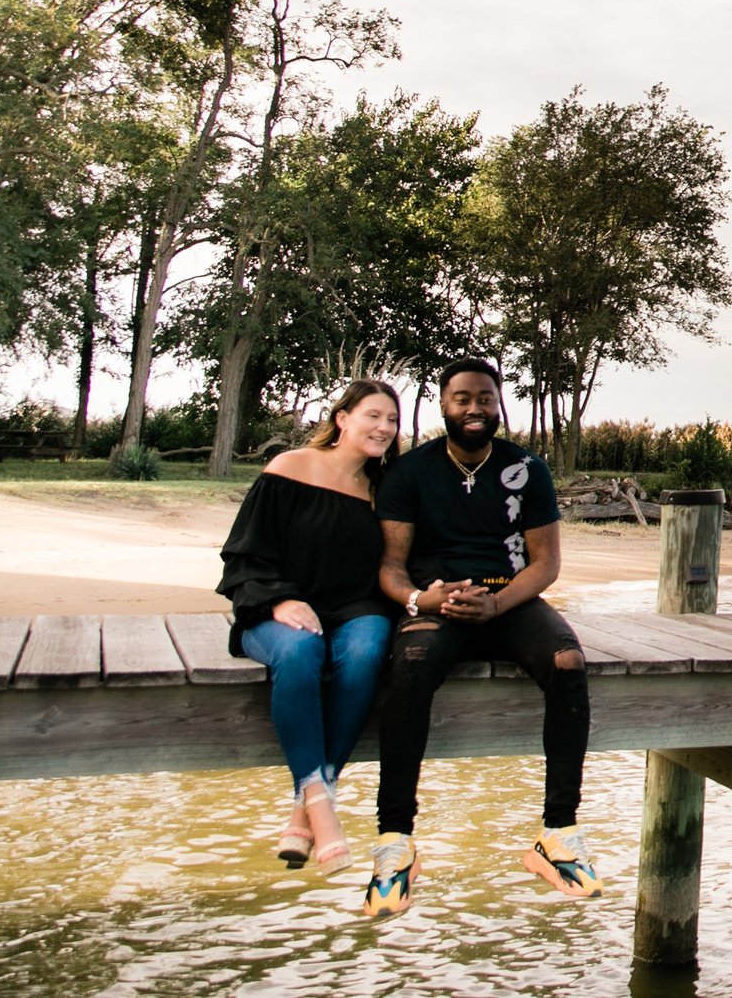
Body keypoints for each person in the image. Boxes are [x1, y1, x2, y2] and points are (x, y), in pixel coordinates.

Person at [363, 356, 597, 917]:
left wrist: (497, 602)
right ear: (443, 403)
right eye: (462, 399)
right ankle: (396, 841)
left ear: (498, 404)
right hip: (438, 602)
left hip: (509, 599)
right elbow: (390, 568)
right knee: (410, 665)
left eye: (485, 399)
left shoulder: (527, 469)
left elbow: (545, 565)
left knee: (567, 662)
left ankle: (557, 833)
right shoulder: (409, 473)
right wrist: (424, 600)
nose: (474, 409)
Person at [216, 378, 402, 877]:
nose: (384, 427)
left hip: (354, 609)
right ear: (342, 419)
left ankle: (305, 807)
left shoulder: (383, 491)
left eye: (392, 420)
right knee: (300, 653)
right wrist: (280, 600)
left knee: (367, 649)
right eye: (373, 416)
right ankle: (319, 804)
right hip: (276, 606)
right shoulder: (290, 468)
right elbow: (244, 554)